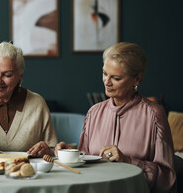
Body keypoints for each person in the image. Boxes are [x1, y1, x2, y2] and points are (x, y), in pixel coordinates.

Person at [55, 42, 176, 192]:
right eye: (105, 73)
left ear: (137, 79)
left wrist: (129, 161)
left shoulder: (155, 114)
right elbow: (84, 163)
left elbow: (166, 177)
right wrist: (70, 153)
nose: (107, 82)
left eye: (116, 78)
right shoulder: (93, 112)